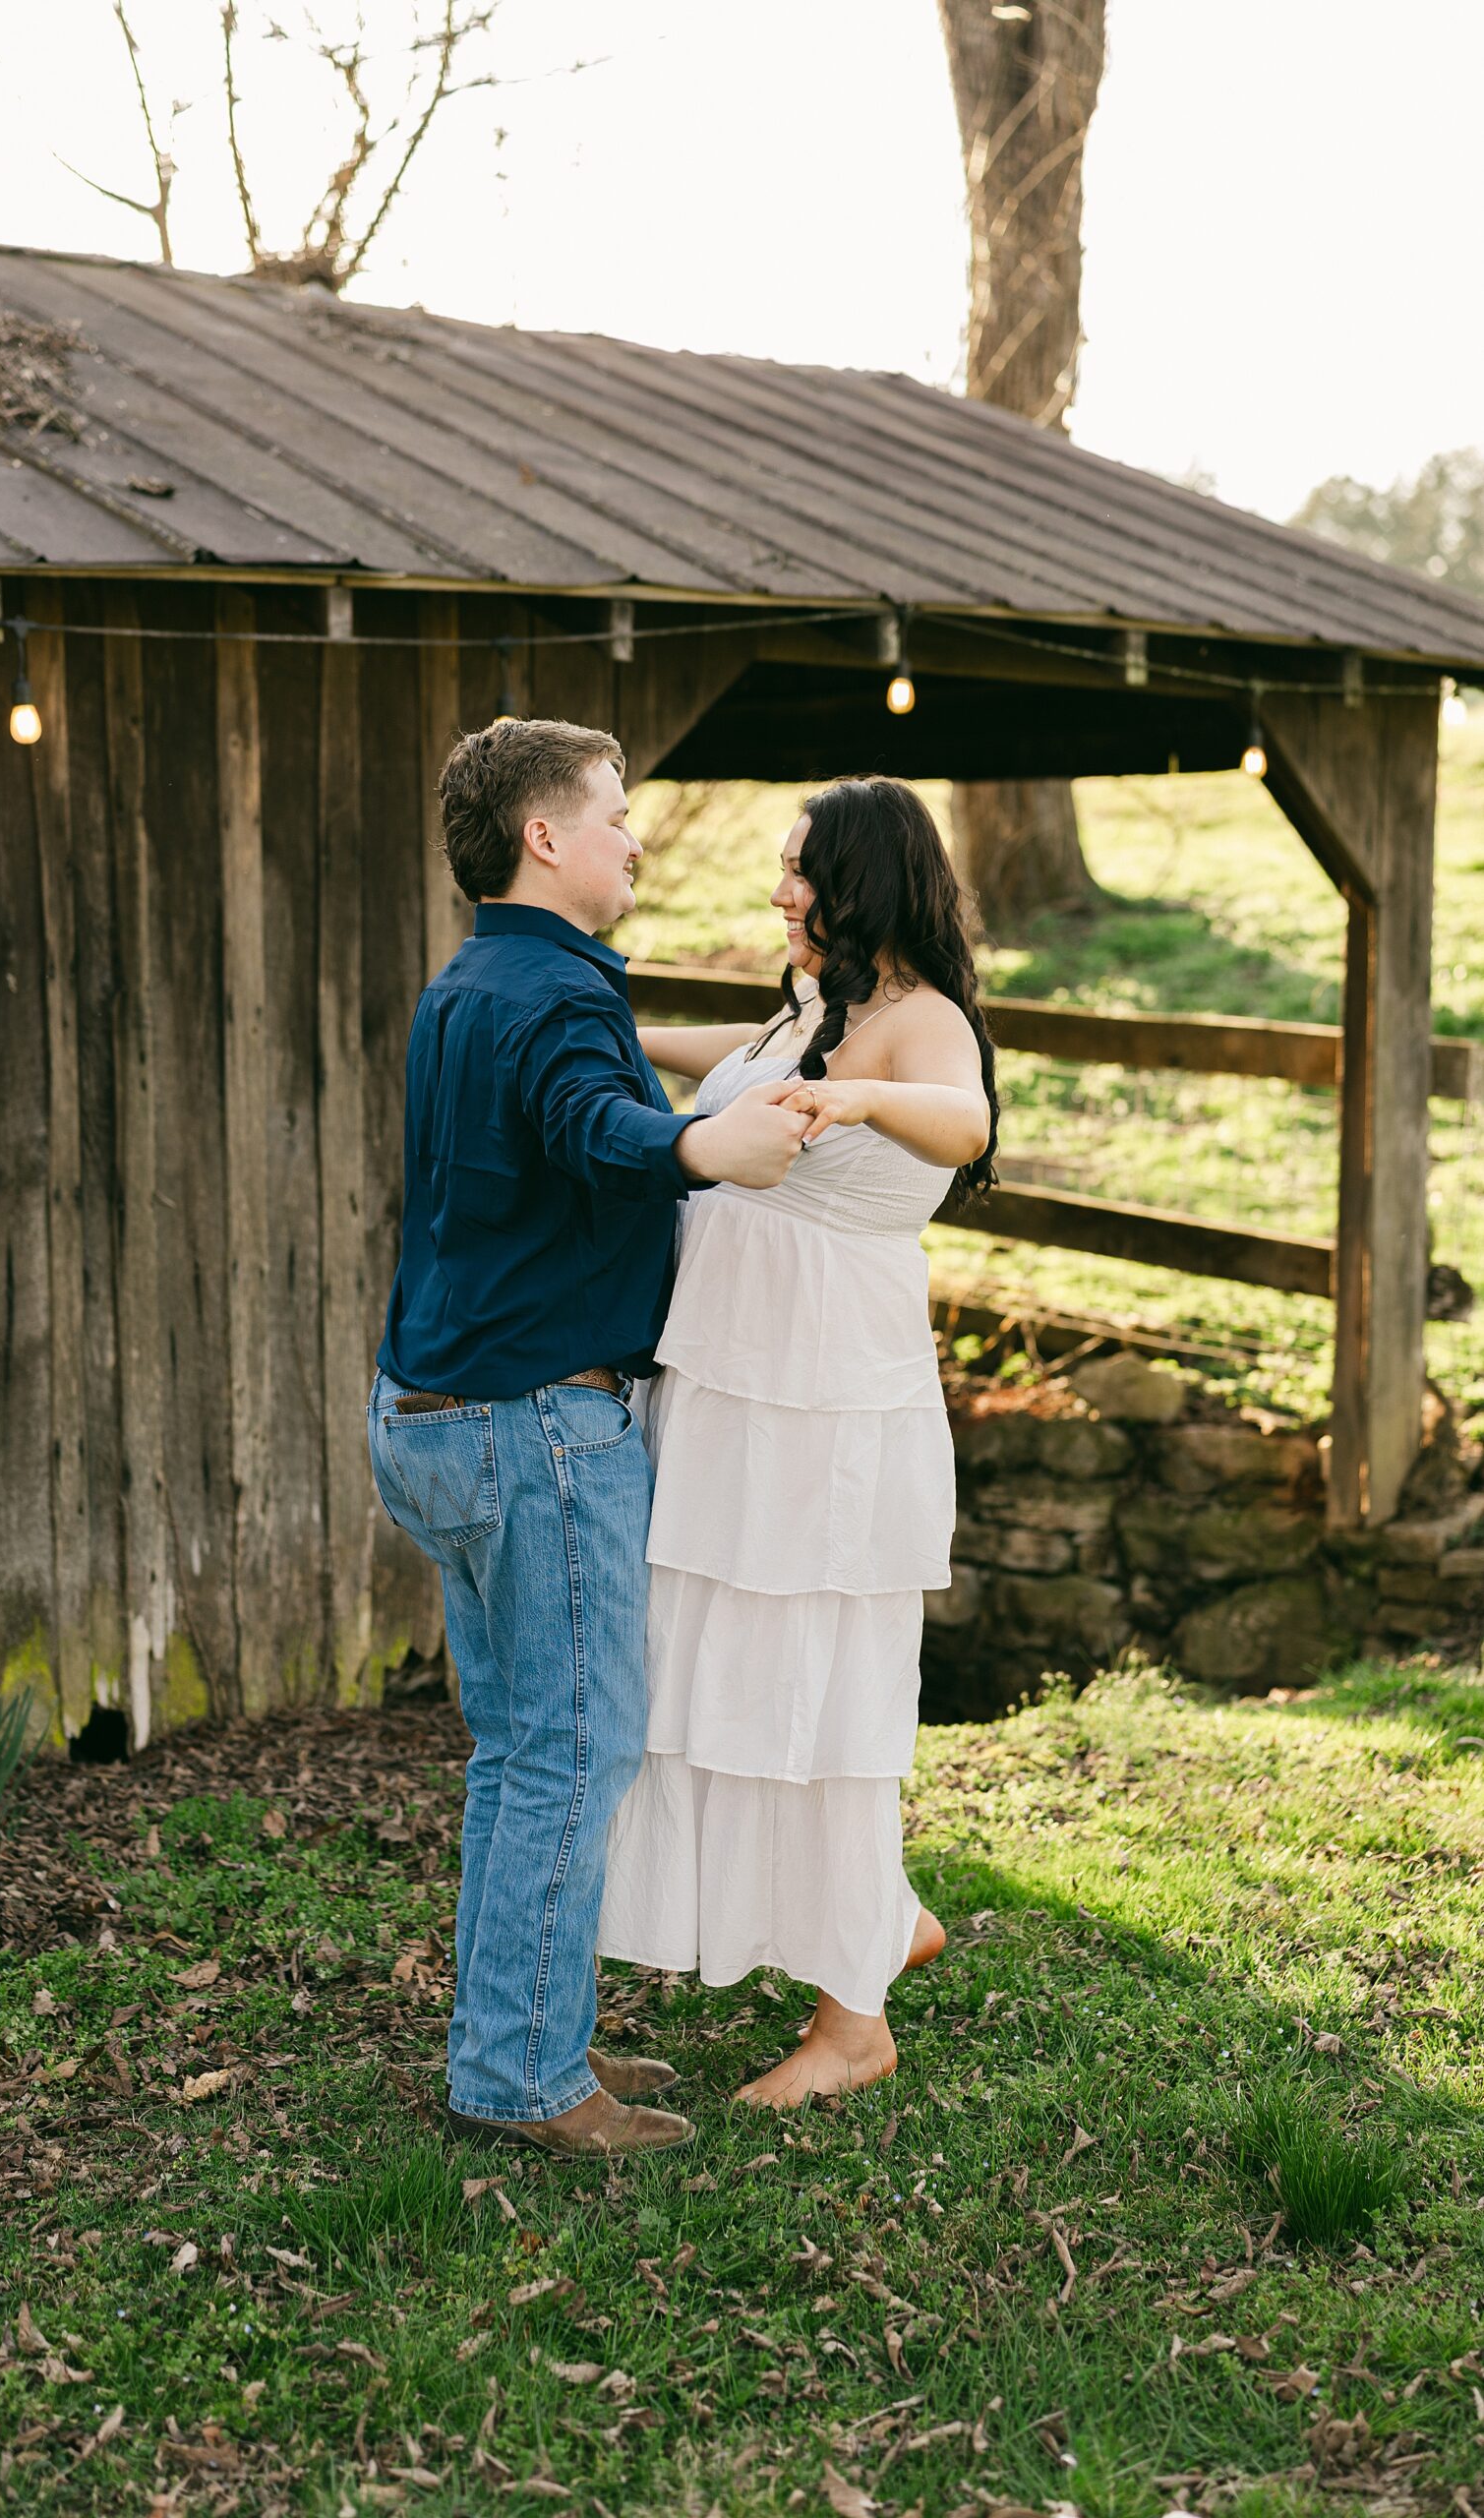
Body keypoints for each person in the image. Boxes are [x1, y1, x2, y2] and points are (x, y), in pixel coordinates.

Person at [368, 717, 815, 2157]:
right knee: (570, 1754)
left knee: (519, 1754)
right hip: (535, 1427)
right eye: (616, 813)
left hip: (434, 1411)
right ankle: (526, 2081)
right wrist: (699, 1147)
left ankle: (518, 2035)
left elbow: (560, 1111)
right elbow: (591, 1125)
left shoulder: (476, 980)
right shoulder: (559, 993)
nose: (636, 835)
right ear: (544, 836)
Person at [597, 777, 998, 2106]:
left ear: (866, 881)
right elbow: (740, 1061)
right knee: (717, 1668)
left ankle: (853, 2026)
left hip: (822, 1402)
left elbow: (967, 1121)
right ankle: (882, 1913)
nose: (781, 892)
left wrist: (867, 1102)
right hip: (730, 1387)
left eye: (803, 871)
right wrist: (608, 1024)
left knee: (820, 1689)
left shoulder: (921, 1023)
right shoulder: (814, 1006)